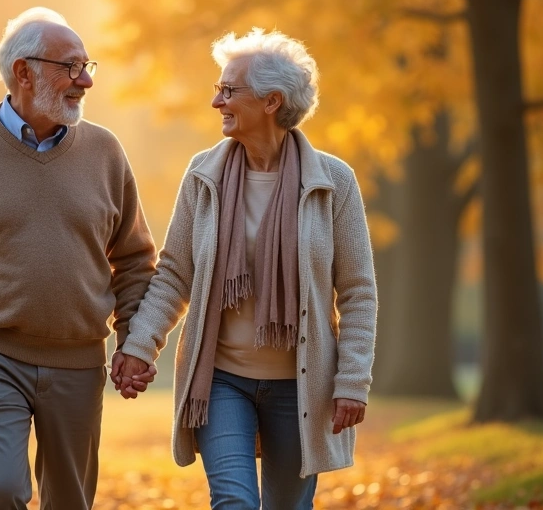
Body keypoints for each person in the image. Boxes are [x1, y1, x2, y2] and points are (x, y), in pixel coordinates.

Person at [0, 7, 158, 510]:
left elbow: (134, 259)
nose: (85, 80)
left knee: (69, 500)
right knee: (2, 489)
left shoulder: (105, 151)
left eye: (88, 66)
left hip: (79, 358)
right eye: (71, 67)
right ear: (24, 72)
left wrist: (134, 340)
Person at [113, 28, 378, 509]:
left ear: (272, 101)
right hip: (220, 380)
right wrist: (138, 346)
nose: (217, 101)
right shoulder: (203, 174)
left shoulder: (333, 182)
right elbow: (175, 273)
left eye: (229, 90)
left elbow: (358, 291)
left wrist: (352, 381)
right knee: (233, 502)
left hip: (300, 385)